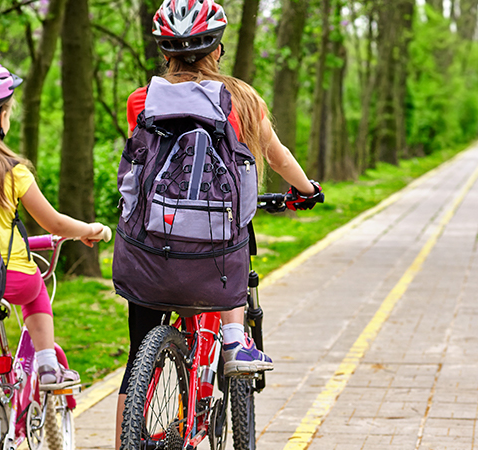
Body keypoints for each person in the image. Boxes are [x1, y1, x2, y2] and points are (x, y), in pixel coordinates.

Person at [114, 0, 323, 445]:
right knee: (232, 251)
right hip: (215, 257)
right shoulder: (244, 100)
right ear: (218, 50)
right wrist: (306, 191)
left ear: (165, 52)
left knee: (137, 363)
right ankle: (233, 340)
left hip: (151, 251)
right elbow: (276, 156)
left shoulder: (142, 100)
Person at [0, 60, 108, 440]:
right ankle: (47, 365)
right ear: (0, 116)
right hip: (10, 277)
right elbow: (55, 224)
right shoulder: (11, 170)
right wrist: (91, 229)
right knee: (36, 290)